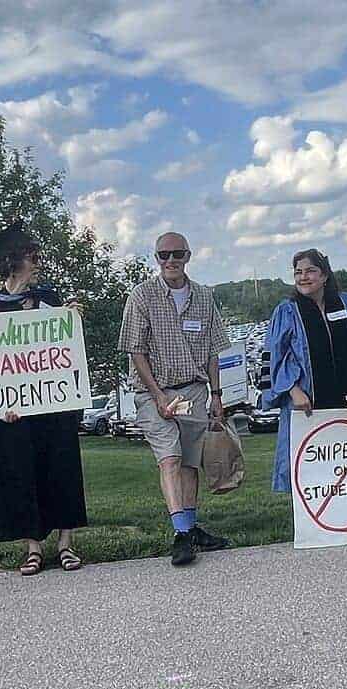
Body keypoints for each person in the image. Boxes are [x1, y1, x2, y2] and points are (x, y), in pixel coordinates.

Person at [0, 223, 88, 576]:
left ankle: (66, 544)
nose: (38, 263)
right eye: (32, 257)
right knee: (20, 473)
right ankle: (33, 547)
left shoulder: (50, 299)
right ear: (13, 262)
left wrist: (72, 321)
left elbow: (64, 352)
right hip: (12, 411)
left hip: (53, 406)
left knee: (61, 468)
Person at [119, 231, 233, 567]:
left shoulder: (203, 297)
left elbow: (213, 351)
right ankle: (181, 533)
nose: (170, 260)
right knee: (169, 458)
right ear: (156, 258)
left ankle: (192, 527)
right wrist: (157, 396)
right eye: (164, 255)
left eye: (177, 254)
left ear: (188, 256)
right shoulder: (142, 295)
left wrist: (216, 394)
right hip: (154, 390)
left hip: (194, 390)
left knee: (189, 462)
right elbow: (135, 351)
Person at [265, 248, 347, 492]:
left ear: (324, 275)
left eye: (310, 271)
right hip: (306, 406)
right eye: (298, 272)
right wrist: (293, 390)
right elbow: (278, 356)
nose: (303, 277)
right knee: (310, 471)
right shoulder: (287, 311)